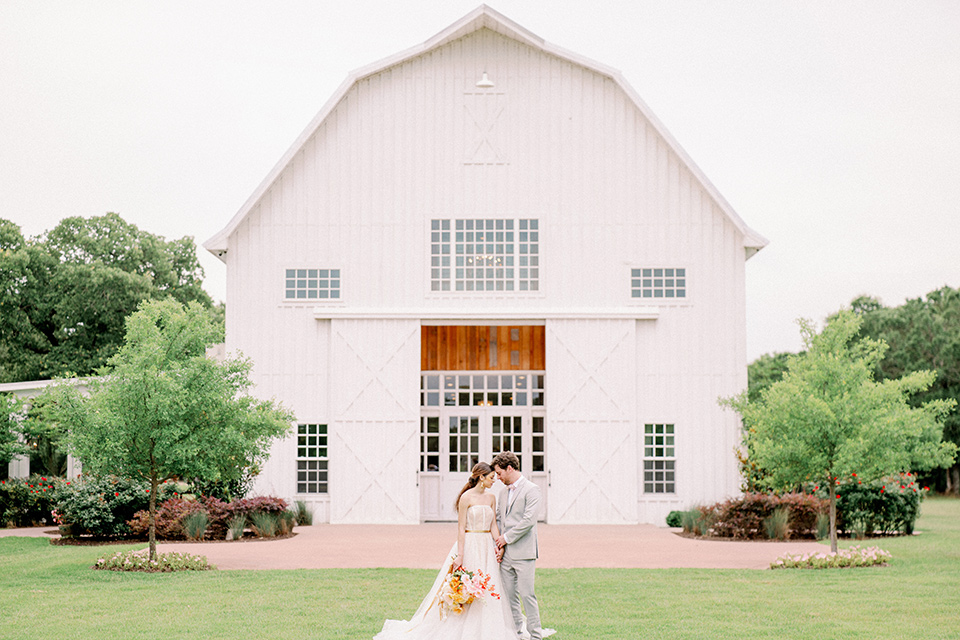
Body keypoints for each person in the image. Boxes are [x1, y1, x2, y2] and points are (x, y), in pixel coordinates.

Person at [373, 462, 518, 639]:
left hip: (486, 545)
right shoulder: (466, 498)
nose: (493, 481)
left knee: (488, 586)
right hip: (470, 543)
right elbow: (461, 527)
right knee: (468, 585)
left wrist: (499, 545)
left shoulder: (491, 498)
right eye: (491, 478)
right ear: (481, 477)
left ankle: (487, 627)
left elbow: (494, 525)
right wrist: (461, 555)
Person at [493, 451, 545, 640]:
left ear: (510, 468)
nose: (497, 478)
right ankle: (515, 634)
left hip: (524, 553)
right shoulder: (502, 493)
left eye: (499, 473)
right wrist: (499, 545)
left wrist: (506, 539)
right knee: (509, 598)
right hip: (505, 555)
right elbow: (500, 519)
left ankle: (536, 636)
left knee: (527, 595)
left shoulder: (533, 489)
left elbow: (528, 520)